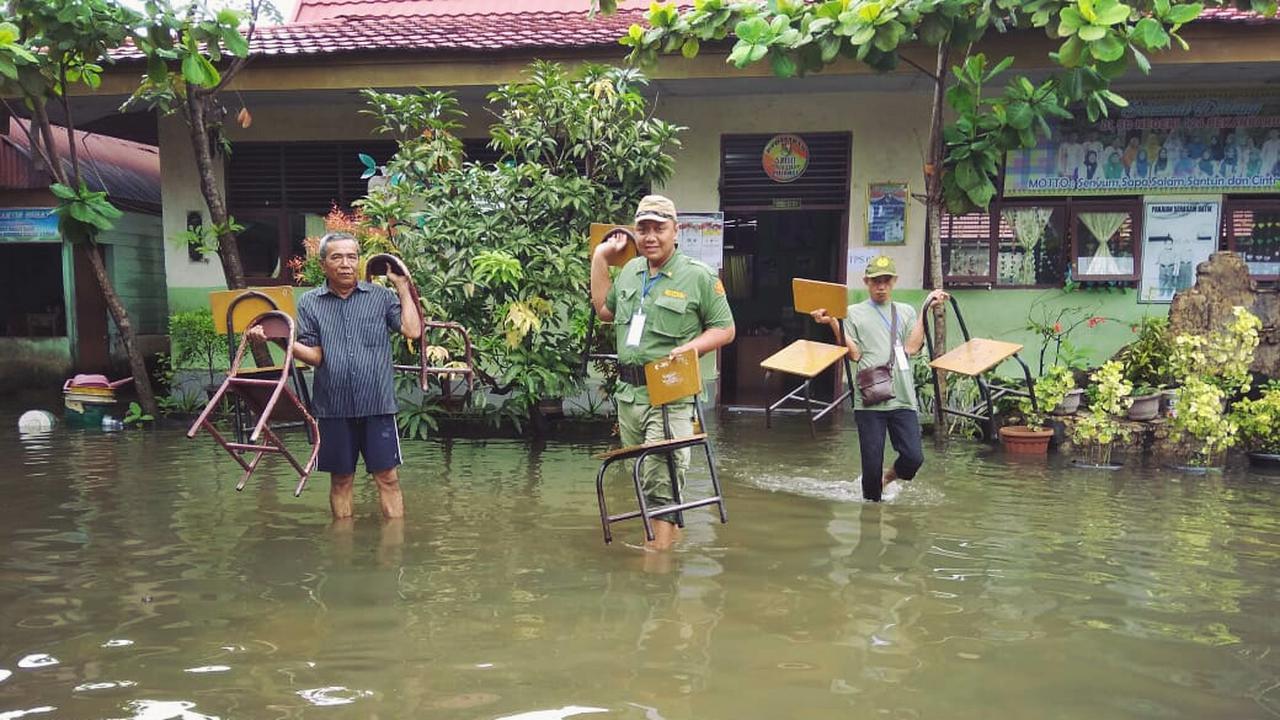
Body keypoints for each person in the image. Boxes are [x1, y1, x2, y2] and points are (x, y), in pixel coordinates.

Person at [590, 194, 735, 551]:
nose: (650, 237)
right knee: (644, 479)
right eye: (643, 229)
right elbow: (605, 311)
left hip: (670, 393)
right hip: (630, 395)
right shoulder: (630, 272)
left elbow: (725, 329)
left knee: (660, 480)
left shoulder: (698, 276)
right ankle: (669, 553)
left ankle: (654, 568)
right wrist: (600, 258)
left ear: (676, 231)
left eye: (659, 228)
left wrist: (693, 347)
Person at [248, 231, 421, 519]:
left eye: (352, 257)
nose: (345, 264)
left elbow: (412, 330)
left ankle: (394, 542)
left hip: (377, 404)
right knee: (341, 480)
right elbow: (316, 356)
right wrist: (280, 340)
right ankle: (342, 540)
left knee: (388, 478)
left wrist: (403, 287)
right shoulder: (310, 302)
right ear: (323, 264)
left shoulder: (380, 297)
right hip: (333, 407)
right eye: (337, 257)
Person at [810, 256, 947, 502]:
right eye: (875, 281)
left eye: (886, 280)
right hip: (869, 399)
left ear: (894, 281)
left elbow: (912, 347)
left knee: (913, 458)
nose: (881, 286)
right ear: (866, 282)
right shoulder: (852, 313)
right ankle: (871, 515)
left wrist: (925, 309)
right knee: (870, 470)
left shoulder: (905, 311)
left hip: (902, 398)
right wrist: (832, 322)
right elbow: (854, 354)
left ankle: (888, 479)